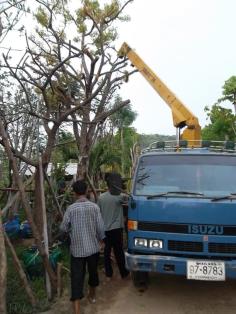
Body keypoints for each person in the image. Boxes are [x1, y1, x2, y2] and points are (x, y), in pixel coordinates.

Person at [60, 180, 105, 314]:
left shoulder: (70, 209)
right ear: (86, 191)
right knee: (93, 273)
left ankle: (77, 310)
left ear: (74, 193)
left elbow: (63, 228)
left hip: (77, 251)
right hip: (92, 249)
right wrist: (102, 241)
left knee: (77, 278)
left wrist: (69, 232)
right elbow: (101, 228)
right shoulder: (94, 207)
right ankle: (92, 296)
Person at [97, 172, 129, 280]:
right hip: (116, 229)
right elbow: (130, 199)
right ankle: (124, 273)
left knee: (107, 252)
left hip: (105, 229)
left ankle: (109, 274)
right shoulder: (120, 197)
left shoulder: (101, 197)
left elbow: (99, 213)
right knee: (119, 251)